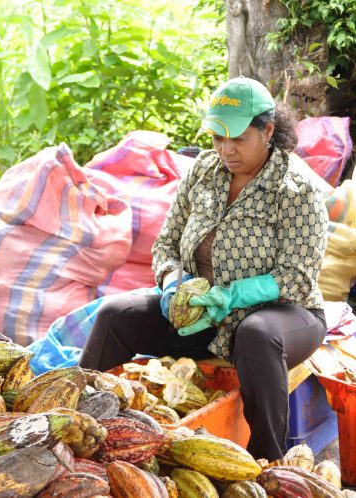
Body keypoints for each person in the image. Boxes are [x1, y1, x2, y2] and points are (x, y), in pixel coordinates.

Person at [79, 77, 328, 460]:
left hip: (281, 317)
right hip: (202, 317)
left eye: (238, 139)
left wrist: (229, 297)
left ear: (268, 131)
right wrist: (172, 284)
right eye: (216, 138)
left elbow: (296, 276)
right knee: (114, 315)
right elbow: (166, 244)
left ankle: (267, 464)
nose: (225, 150)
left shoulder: (296, 189)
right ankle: (82, 425)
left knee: (256, 334)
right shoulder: (203, 172)